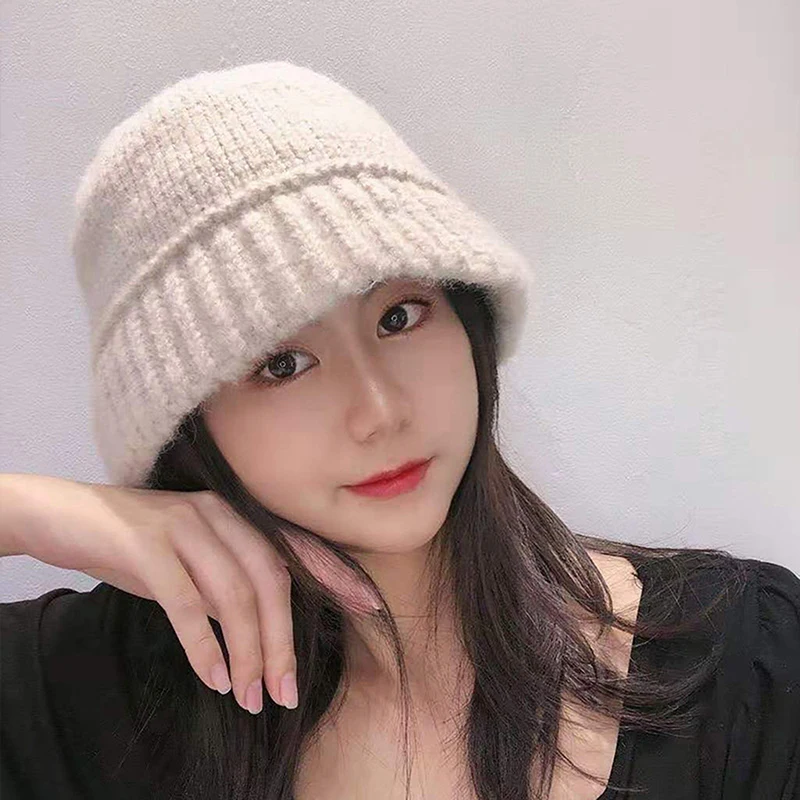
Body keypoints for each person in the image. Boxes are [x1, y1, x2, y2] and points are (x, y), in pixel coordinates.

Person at [1, 60, 798, 800]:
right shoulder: (90, 691)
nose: (380, 410)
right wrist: (35, 513)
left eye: (400, 315)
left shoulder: (738, 663)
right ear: (186, 428)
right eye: (282, 364)